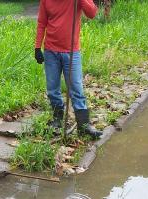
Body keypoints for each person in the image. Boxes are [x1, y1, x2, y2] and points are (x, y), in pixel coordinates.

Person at [35, 0, 102, 138]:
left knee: (76, 88)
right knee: (53, 89)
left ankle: (83, 126)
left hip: (72, 52)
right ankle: (57, 120)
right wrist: (37, 47)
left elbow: (92, 13)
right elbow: (42, 22)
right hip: (50, 50)